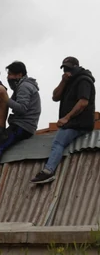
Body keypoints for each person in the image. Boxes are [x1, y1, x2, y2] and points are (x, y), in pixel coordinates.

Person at [31, 57, 96, 185]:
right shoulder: (69, 81)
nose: (67, 71)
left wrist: (67, 118)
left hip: (80, 122)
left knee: (58, 142)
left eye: (69, 68)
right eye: (65, 68)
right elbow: (55, 97)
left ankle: (49, 171)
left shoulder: (83, 80)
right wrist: (63, 82)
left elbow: (83, 102)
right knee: (59, 140)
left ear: (76, 67)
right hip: (72, 122)